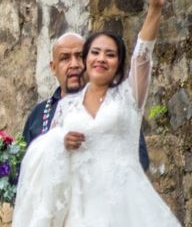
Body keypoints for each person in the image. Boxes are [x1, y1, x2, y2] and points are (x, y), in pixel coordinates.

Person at [5, 0, 192, 227]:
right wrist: (58, 141)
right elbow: (45, 156)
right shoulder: (65, 108)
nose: (99, 59)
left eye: (109, 54)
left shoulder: (128, 99)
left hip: (126, 205)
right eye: (94, 53)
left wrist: (154, 9)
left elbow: (144, 53)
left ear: (118, 65)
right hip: (79, 211)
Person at [23, 33, 150, 171]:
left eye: (80, 56)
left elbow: (140, 160)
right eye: (65, 58)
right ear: (53, 68)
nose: (74, 64)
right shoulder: (39, 115)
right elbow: (24, 170)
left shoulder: (115, 108)